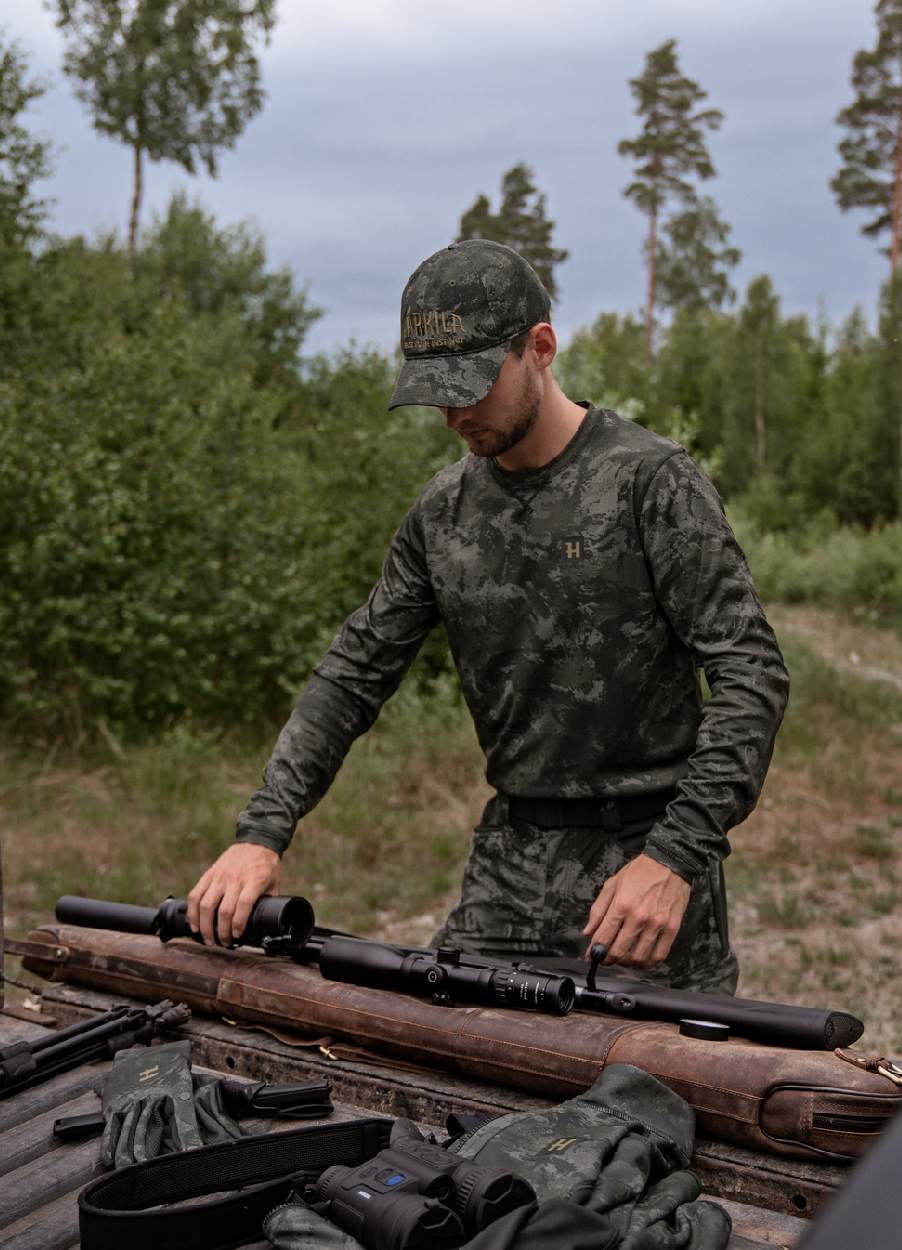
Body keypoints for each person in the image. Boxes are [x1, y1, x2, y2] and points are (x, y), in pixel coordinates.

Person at [187, 239, 789, 994]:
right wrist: (261, 834)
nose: (454, 414)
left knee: (639, 1096)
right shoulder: (444, 513)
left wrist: (674, 858)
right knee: (437, 1063)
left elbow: (750, 673)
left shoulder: (650, 484)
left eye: (472, 385)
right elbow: (352, 674)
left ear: (539, 348)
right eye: (436, 392)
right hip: (509, 864)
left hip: (645, 866)